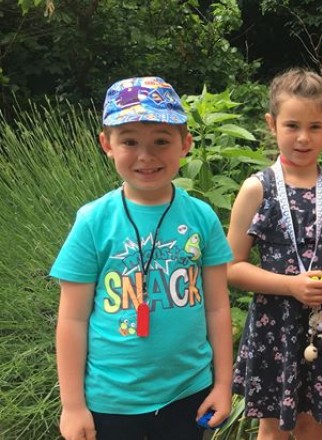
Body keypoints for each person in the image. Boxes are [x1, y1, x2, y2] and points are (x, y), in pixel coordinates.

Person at [51, 76, 234, 440]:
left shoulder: (202, 217)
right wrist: (72, 406)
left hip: (189, 392)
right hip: (111, 401)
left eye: (161, 141)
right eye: (130, 141)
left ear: (185, 144)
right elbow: (72, 318)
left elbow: (217, 307)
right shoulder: (93, 222)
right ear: (106, 144)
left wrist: (223, 384)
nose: (146, 156)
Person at [227, 68, 322, 439]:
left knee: (312, 423)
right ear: (271, 124)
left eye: (315, 127)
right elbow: (232, 267)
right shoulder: (257, 189)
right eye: (292, 126)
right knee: (271, 427)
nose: (303, 138)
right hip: (276, 325)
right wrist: (290, 285)